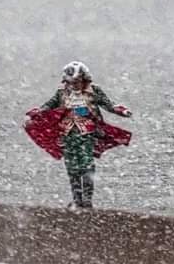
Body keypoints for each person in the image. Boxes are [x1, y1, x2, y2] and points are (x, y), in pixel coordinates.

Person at [25, 61, 132, 209]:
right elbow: (49, 105)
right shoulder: (61, 92)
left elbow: (109, 105)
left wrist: (121, 111)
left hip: (87, 134)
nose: (74, 85)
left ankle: (87, 200)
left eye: (76, 81)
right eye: (70, 82)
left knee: (87, 165)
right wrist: (37, 112)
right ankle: (77, 199)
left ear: (84, 79)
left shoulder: (94, 91)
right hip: (67, 134)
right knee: (71, 167)